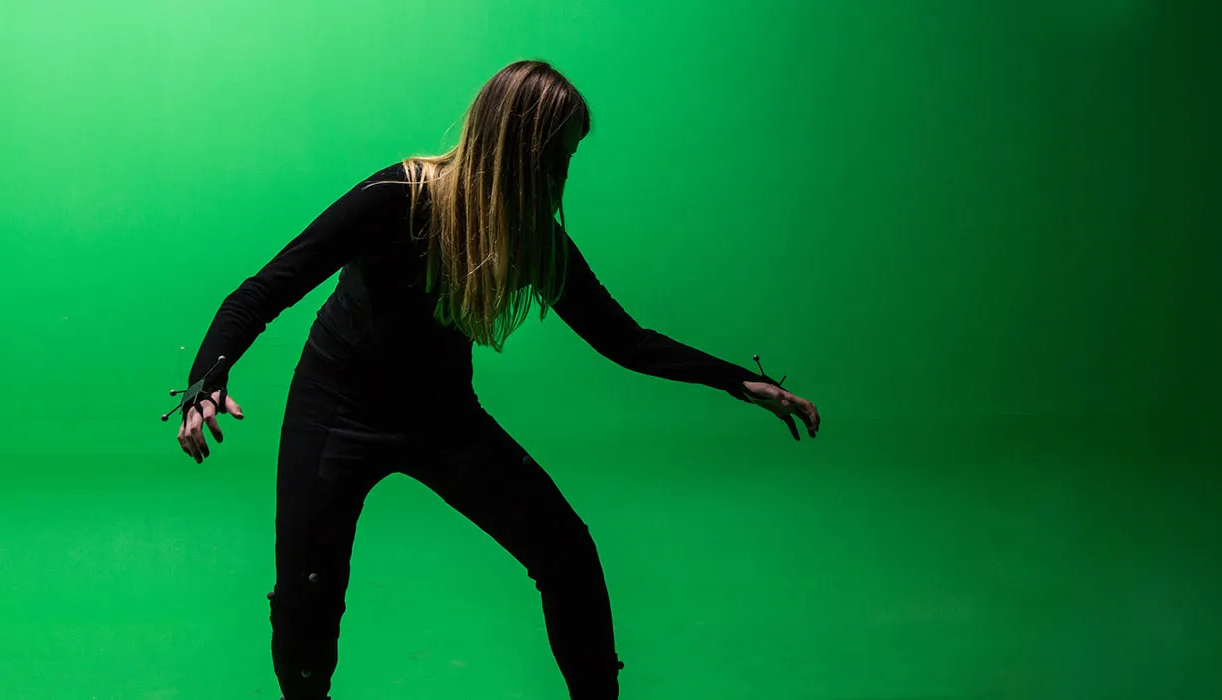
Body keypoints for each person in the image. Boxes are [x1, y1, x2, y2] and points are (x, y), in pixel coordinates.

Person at [173, 59, 821, 700]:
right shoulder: (396, 198)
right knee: (307, 599)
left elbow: (624, 340)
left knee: (567, 553)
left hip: (441, 418)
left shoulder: (532, 237)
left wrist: (739, 381)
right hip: (337, 408)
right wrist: (205, 384)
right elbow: (262, 292)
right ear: (520, 150)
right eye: (557, 158)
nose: (562, 176)